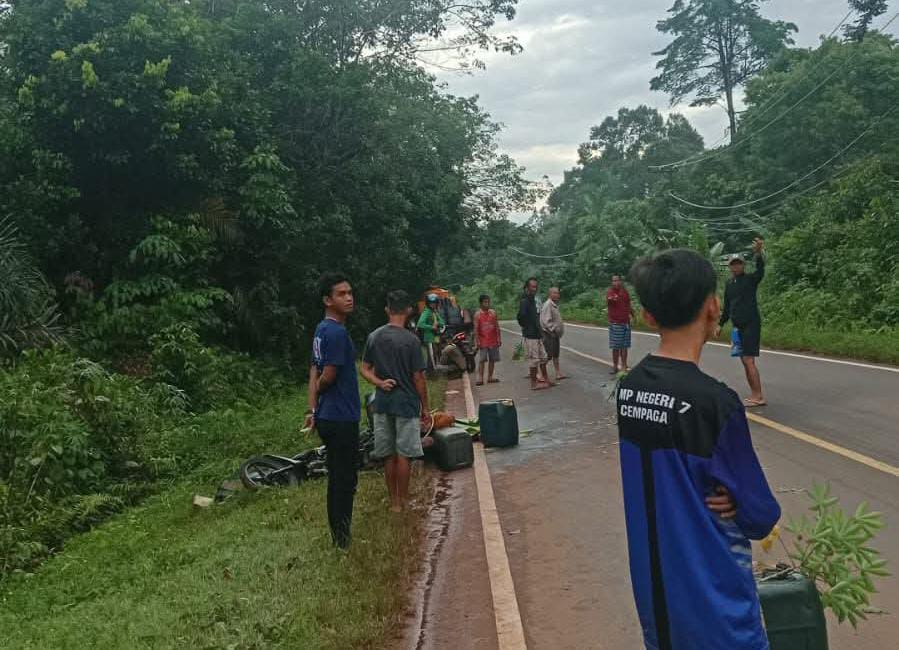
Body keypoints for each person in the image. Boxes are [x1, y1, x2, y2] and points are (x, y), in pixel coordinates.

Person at [618, 249, 780, 650]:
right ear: (713, 306)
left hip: (657, 595)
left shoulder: (630, 388)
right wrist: (738, 501)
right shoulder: (715, 404)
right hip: (716, 602)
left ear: (647, 316)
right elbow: (760, 516)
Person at [305, 273, 362, 550]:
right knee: (344, 479)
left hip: (328, 413)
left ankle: (341, 535)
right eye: (341, 294)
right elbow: (326, 374)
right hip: (340, 416)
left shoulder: (321, 329)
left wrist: (312, 407)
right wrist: (320, 392)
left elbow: (313, 369)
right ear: (328, 300)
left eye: (350, 292)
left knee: (339, 476)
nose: (349, 298)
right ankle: (342, 539)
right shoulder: (337, 333)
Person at [361, 290, 431, 513]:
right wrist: (426, 408)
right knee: (404, 454)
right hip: (407, 404)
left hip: (382, 404)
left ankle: (394, 502)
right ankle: (404, 499)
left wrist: (380, 383)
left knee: (388, 454)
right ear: (409, 311)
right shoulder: (411, 341)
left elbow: (364, 369)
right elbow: (418, 378)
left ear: (387, 309)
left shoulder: (374, 336)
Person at [716, 238, 766, 407]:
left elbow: (760, 270)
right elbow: (728, 306)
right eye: (733, 264)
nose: (736, 266)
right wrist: (720, 324)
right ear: (730, 267)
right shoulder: (730, 284)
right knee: (744, 361)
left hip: (751, 324)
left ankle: (758, 396)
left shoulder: (751, 280)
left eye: (739, 264)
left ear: (743, 266)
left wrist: (758, 252)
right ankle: (754, 394)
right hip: (738, 327)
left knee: (749, 360)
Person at [517, 277, 554, 390]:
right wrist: (527, 327)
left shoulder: (533, 300)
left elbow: (536, 317)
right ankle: (533, 383)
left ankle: (546, 379)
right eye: (532, 286)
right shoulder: (524, 301)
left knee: (543, 357)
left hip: (537, 334)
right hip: (530, 335)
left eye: (536, 286)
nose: (535, 288)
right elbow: (520, 317)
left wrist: (540, 331)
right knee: (534, 360)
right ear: (527, 288)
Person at [606, 274, 633, 374]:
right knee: (616, 346)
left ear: (620, 281)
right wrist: (613, 299)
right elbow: (610, 300)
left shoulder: (625, 292)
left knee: (625, 346)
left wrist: (632, 315)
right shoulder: (610, 293)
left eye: (617, 280)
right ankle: (615, 366)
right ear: (611, 282)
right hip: (615, 323)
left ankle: (624, 366)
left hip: (626, 323)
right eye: (613, 281)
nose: (615, 282)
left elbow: (628, 304)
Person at [474, 294, 502, 386]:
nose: (487, 304)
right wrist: (477, 340)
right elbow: (476, 329)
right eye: (485, 302)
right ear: (481, 303)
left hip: (493, 340)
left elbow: (497, 326)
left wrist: (499, 338)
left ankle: (490, 377)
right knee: (482, 359)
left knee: (492, 359)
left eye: (488, 302)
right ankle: (480, 377)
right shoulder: (478, 315)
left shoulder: (493, 313)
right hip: (483, 340)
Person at [540, 287, 567, 381]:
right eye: (554, 293)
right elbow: (545, 321)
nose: (556, 295)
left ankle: (558, 373)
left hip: (554, 334)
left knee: (555, 354)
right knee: (548, 354)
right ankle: (540, 374)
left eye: (557, 293)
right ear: (550, 294)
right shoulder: (548, 305)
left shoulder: (554, 304)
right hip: (549, 334)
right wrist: (552, 330)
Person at [417, 293, 444, 370]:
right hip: (429, 337)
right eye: (431, 303)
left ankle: (433, 370)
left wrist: (438, 324)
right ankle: (433, 372)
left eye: (435, 303)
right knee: (432, 356)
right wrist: (431, 327)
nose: (433, 305)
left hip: (435, 337)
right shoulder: (426, 312)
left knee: (436, 353)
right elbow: (420, 324)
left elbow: (442, 321)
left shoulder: (434, 312)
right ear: (428, 304)